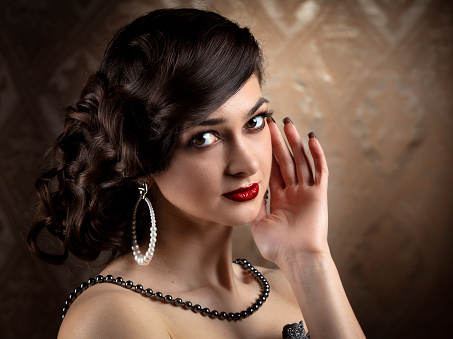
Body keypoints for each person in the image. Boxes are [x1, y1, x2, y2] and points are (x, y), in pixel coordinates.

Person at [27, 8, 364, 339]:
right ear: (138, 159)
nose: (246, 163)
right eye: (204, 138)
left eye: (254, 121)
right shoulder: (112, 316)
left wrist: (307, 257)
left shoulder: (292, 286)